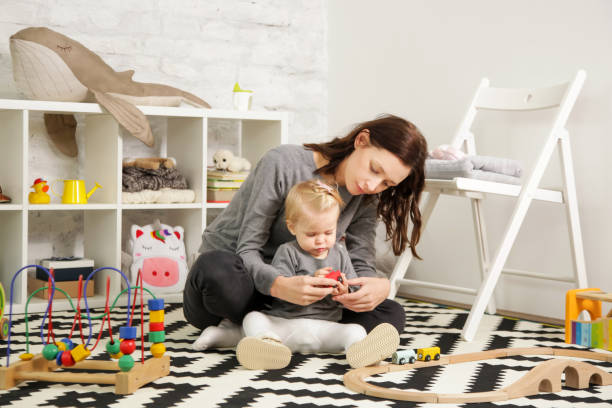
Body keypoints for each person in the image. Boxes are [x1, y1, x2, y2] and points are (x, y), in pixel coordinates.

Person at [183, 113, 428, 353]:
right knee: (215, 270)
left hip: (296, 303)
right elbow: (247, 248)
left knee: (391, 314)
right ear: (361, 140)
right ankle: (300, 333)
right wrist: (279, 285)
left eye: (387, 184)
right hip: (241, 283)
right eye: (374, 169)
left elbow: (360, 260)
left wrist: (374, 288)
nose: (373, 185)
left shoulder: (367, 196)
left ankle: (259, 332)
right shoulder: (282, 163)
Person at [236, 179, 400, 370]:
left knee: (355, 330)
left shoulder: (339, 252)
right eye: (312, 234)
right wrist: (312, 279)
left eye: (329, 232)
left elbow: (353, 286)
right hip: (286, 325)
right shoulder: (288, 251)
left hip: (326, 328)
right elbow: (282, 288)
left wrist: (345, 291)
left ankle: (359, 351)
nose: (321, 240)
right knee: (253, 318)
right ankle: (268, 344)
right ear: (292, 227)